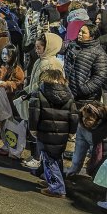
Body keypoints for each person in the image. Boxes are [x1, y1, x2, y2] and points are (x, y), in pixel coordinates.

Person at [27, 68, 76, 198]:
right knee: (56, 157)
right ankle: (54, 180)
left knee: (49, 159)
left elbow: (34, 113)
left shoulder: (39, 92)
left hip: (45, 131)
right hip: (62, 133)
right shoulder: (69, 94)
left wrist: (32, 128)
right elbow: (74, 115)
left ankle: (57, 188)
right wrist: (72, 131)